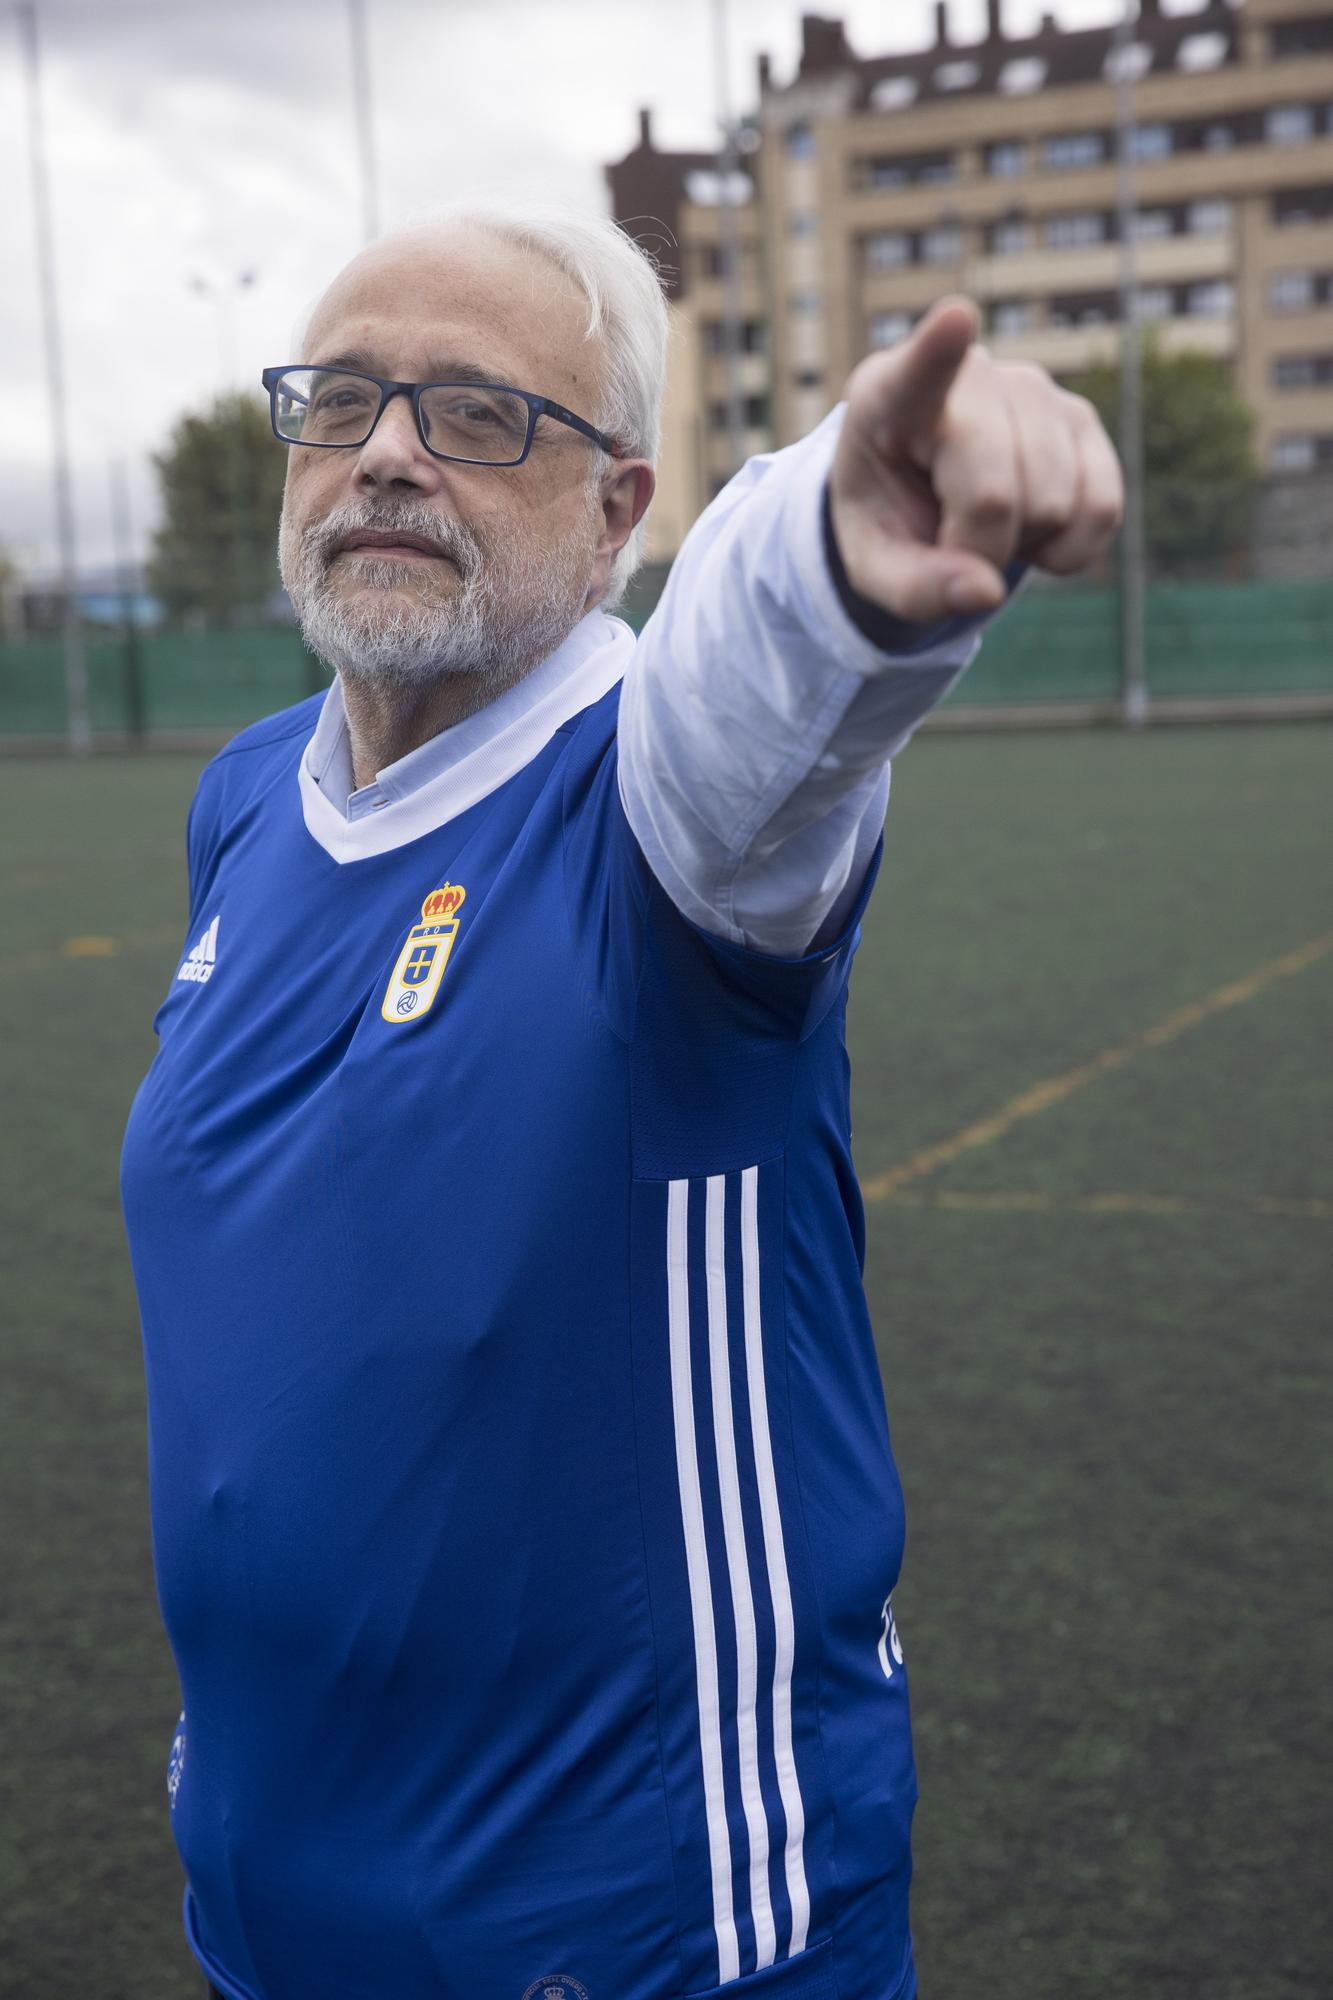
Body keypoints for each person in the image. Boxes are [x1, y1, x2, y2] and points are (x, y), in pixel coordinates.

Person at [121, 201, 1121, 2000]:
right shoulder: (248, 800)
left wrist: (844, 520)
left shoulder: (668, 820)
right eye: (340, 402)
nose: (392, 454)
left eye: (481, 413)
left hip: (643, 1944)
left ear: (617, 508)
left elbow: (762, 676)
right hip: (270, 1917)